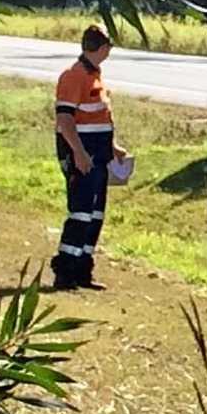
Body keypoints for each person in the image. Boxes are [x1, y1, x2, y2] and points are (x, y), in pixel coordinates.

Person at [50, 25, 128, 290]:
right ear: (103, 48)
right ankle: (65, 272)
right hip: (84, 156)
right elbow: (65, 120)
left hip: (100, 154)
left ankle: (83, 269)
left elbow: (100, 116)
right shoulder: (74, 76)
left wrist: (113, 147)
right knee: (80, 213)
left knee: (95, 214)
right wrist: (79, 154)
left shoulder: (95, 75)